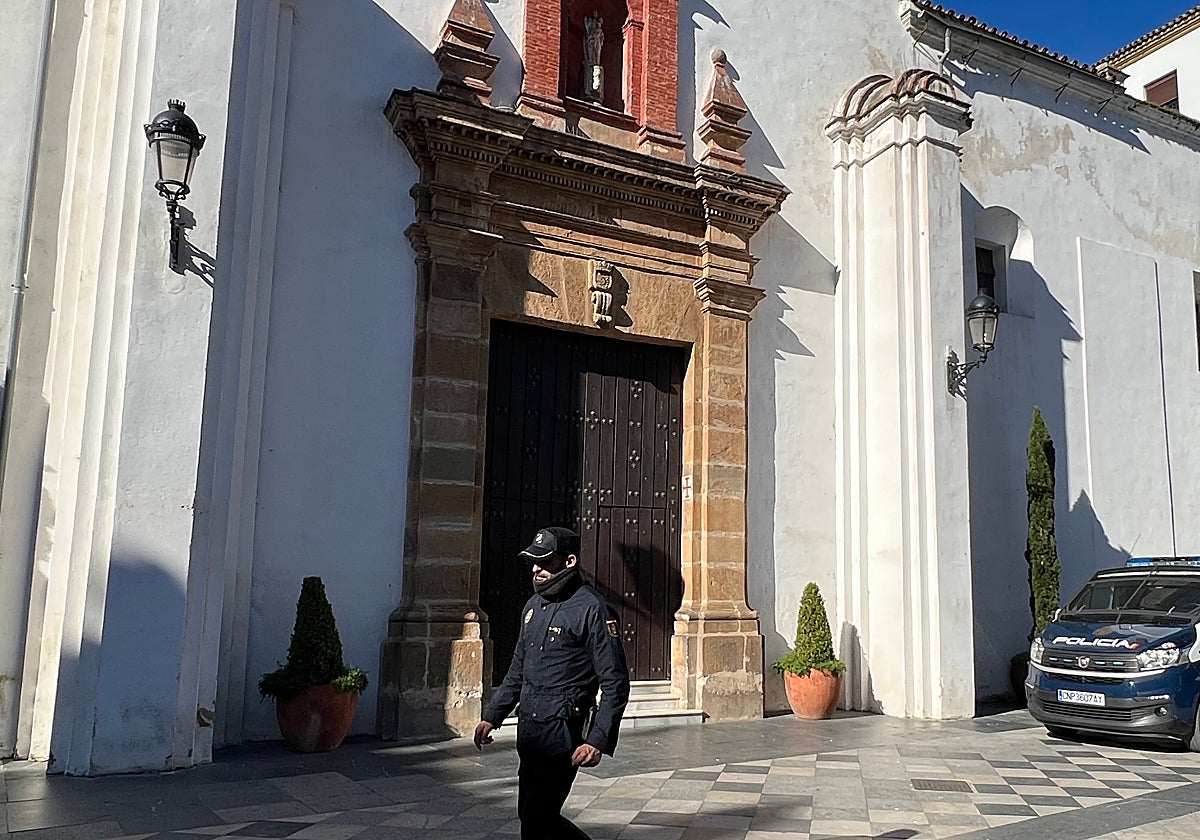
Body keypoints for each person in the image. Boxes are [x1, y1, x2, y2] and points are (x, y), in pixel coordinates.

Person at [474, 526, 631, 840]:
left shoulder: (593, 609)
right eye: (534, 561)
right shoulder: (533, 607)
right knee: (531, 815)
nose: (536, 568)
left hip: (563, 731)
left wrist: (597, 739)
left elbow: (615, 682)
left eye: (545, 561)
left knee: (537, 818)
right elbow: (518, 669)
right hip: (531, 730)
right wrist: (493, 715)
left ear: (569, 561)